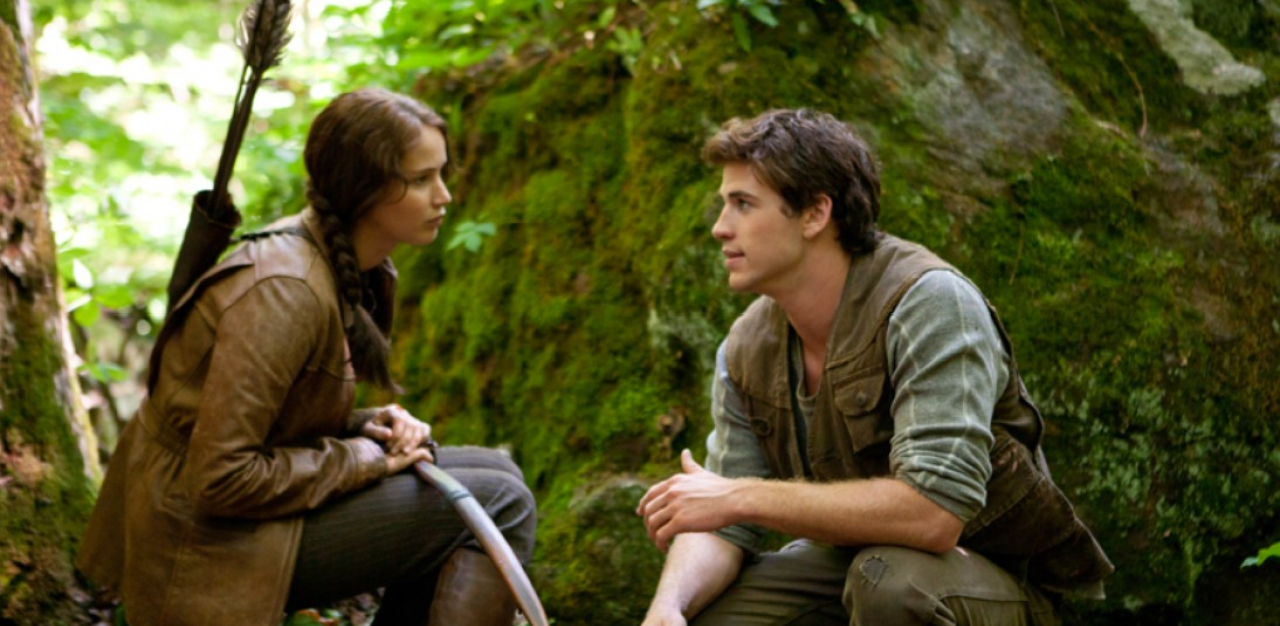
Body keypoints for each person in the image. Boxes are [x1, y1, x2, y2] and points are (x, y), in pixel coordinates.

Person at [76, 88, 536, 626]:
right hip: (201, 540)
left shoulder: (339, 263)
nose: (444, 196)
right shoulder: (285, 291)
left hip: (237, 517)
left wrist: (368, 427)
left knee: (498, 471)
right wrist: (364, 459)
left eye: (442, 174)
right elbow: (221, 477)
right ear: (362, 190)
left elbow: (271, 419)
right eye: (420, 180)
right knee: (499, 503)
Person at [636, 109, 1112, 626]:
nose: (719, 228)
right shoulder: (746, 349)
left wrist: (741, 496)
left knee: (891, 586)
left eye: (743, 204)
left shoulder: (929, 302)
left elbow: (934, 514)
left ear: (815, 213)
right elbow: (723, 524)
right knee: (710, 612)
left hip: (995, 580)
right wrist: (668, 607)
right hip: (852, 565)